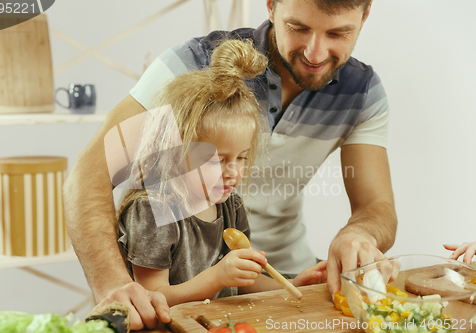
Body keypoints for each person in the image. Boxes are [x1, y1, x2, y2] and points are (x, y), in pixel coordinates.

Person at [63, 0, 397, 329]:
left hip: (275, 279)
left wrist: (357, 234)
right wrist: (113, 285)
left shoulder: (364, 91)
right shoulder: (191, 64)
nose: (315, 52)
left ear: (366, 15)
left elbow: (376, 205)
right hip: (186, 300)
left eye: (338, 34)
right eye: (298, 28)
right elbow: (88, 177)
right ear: (271, 6)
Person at [116, 39, 327, 307]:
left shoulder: (231, 205)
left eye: (241, 158)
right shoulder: (152, 211)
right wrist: (217, 277)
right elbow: (152, 296)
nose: (233, 172)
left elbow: (243, 282)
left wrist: (287, 285)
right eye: (216, 160)